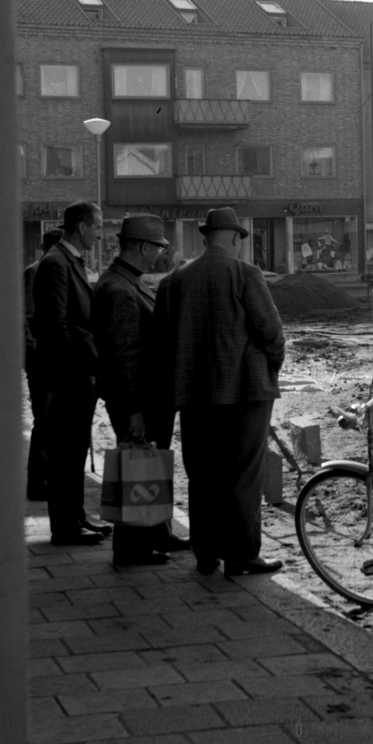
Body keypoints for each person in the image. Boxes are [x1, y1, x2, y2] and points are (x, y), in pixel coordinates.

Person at [153, 207, 286, 578]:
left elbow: (162, 344)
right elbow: (271, 333)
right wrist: (270, 368)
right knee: (243, 473)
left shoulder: (173, 281)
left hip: (195, 395)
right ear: (234, 238)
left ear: (205, 237)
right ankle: (241, 555)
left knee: (203, 473)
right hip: (246, 390)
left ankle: (206, 552)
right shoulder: (245, 273)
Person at [92, 214, 190, 567]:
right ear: (144, 247)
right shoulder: (119, 290)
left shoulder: (125, 282)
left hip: (145, 399)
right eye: (159, 247)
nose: (162, 254)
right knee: (138, 470)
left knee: (151, 467)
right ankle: (133, 549)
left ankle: (157, 534)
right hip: (139, 400)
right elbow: (125, 357)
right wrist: (134, 409)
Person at [31, 200, 109, 546]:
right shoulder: (56, 264)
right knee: (65, 453)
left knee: (75, 450)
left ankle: (75, 518)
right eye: (97, 227)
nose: (99, 233)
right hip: (69, 377)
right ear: (81, 227)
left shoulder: (67, 262)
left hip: (77, 375)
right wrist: (75, 369)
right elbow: (56, 324)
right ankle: (65, 527)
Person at [24, 228, 62, 501]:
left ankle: (49, 477)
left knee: (54, 419)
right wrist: (34, 349)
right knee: (45, 419)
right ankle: (37, 482)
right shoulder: (34, 272)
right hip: (41, 359)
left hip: (55, 357)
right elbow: (28, 315)